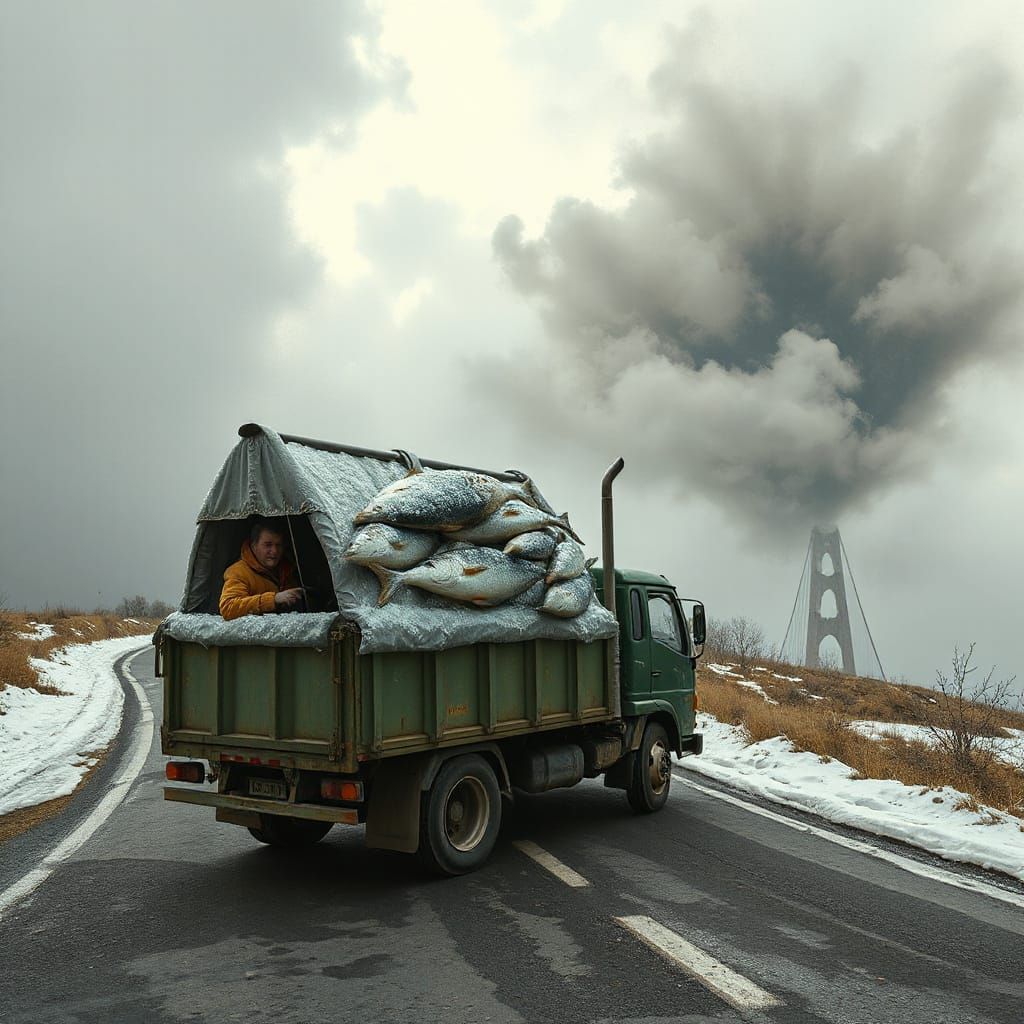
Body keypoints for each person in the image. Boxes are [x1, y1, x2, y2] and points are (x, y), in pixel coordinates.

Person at [220, 519, 305, 620]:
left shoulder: (289, 569)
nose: (274, 551)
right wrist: (273, 599)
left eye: (278, 545)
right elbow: (228, 607)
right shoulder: (238, 572)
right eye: (268, 545)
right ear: (254, 546)